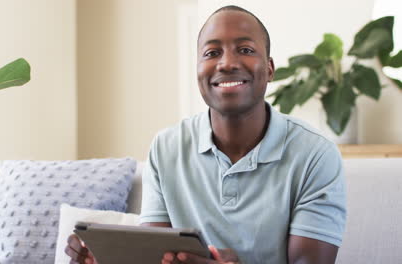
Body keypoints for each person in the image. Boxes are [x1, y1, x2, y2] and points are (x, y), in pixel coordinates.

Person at [65, 5, 346, 264]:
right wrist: (108, 257)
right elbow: (154, 256)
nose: (226, 64)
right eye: (212, 53)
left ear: (270, 69)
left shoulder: (315, 154)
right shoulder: (166, 147)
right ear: (198, 71)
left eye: (246, 50)